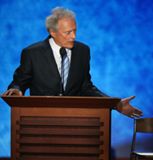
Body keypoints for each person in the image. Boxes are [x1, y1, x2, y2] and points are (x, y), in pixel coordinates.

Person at [3, 7, 142, 118]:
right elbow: (20, 82)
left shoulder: (83, 51)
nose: (73, 36)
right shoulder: (32, 53)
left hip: (74, 120)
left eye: (75, 31)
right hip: (40, 119)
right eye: (68, 32)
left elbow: (86, 87)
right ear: (52, 31)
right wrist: (16, 89)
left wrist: (115, 104)